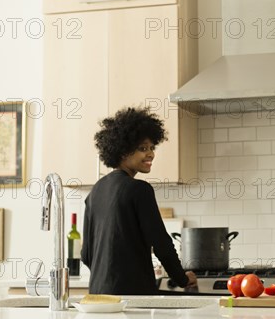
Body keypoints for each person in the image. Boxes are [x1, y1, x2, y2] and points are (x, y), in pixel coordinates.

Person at [81, 106, 197, 295]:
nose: (150, 154)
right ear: (123, 151)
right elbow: (161, 243)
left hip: (98, 295)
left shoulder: (95, 191)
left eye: (152, 148)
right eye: (143, 148)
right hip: (133, 296)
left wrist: (107, 277)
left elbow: (86, 254)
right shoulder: (139, 189)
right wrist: (182, 278)